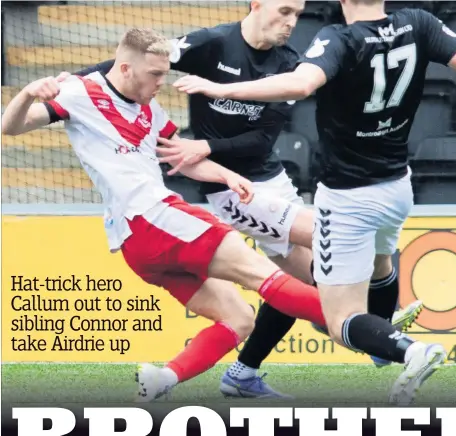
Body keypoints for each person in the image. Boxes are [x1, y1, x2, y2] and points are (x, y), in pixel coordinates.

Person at [170, 0, 456, 404]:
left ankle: (402, 348)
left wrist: (220, 89)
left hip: (347, 197)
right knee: (367, 267)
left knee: (338, 317)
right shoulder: (419, 22)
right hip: (397, 187)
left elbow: (302, 85)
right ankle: (360, 345)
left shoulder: (337, 39)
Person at [75, 0, 422, 399]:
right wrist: (74, 81)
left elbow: (260, 139)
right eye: (284, 11)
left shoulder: (290, 63)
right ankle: (376, 330)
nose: (291, 22)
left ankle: (245, 372)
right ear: (257, 4)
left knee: (297, 281)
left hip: (270, 179)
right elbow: (132, 61)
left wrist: (206, 143)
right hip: (231, 191)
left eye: (297, 14)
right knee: (340, 234)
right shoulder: (212, 44)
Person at [1, 27, 330, 403]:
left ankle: (163, 378)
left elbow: (180, 159)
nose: (162, 82)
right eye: (155, 74)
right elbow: (9, 127)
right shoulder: (78, 93)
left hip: (135, 244)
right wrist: (27, 93)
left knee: (239, 319)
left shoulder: (149, 108)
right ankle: (362, 324)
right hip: (155, 216)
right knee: (266, 274)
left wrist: (225, 174)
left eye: (165, 73)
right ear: (125, 68)